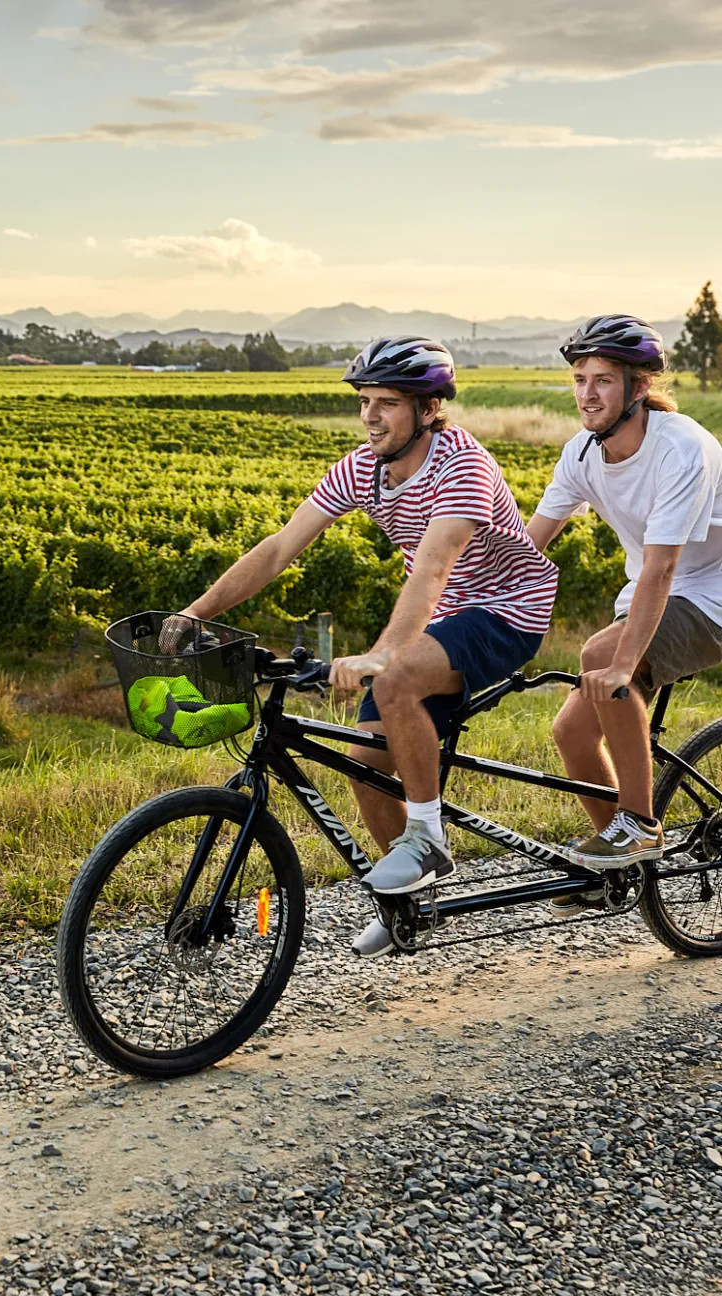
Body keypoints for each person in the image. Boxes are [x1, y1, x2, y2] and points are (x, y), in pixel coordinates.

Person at [165, 336, 558, 956]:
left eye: (388, 403)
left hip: (506, 609)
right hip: (443, 619)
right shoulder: (362, 468)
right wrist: (195, 612)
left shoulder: (464, 467)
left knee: (394, 680)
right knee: (365, 761)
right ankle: (409, 905)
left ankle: (427, 839)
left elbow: (432, 571)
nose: (370, 416)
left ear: (429, 409)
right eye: (365, 402)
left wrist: (383, 655)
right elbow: (277, 548)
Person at [527, 315, 722, 892]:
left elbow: (663, 567)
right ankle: (613, 868)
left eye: (604, 380)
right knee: (572, 734)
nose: (587, 393)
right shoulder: (581, 455)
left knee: (603, 657)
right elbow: (529, 545)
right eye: (580, 379)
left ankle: (638, 824)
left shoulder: (682, 447)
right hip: (651, 594)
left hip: (712, 596)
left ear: (638, 388)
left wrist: (617, 663)